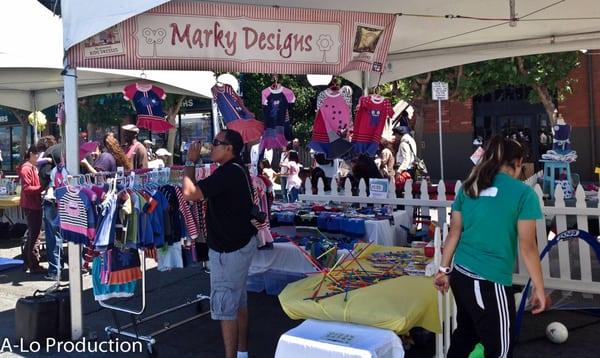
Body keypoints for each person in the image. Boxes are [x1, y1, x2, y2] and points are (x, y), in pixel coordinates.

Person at [433, 136, 548, 357]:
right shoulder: (523, 193)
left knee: (465, 336)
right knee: (500, 348)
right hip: (488, 281)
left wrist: (443, 270)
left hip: (461, 276)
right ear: (517, 163)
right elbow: (528, 246)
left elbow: (454, 232)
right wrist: (540, 288)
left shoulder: (468, 187)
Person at [182, 129, 257, 358]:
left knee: (225, 306)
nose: (211, 146)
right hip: (240, 243)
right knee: (237, 300)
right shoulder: (236, 170)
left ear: (229, 148)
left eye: (216, 142)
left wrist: (190, 162)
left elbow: (190, 193)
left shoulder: (228, 173)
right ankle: (242, 352)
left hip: (229, 249)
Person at [19, 146, 45, 274]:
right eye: (37, 156)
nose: (38, 158)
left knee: (33, 234)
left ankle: (26, 260)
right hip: (31, 205)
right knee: (34, 235)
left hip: (34, 203)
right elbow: (27, 188)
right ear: (31, 154)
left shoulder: (32, 167)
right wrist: (41, 188)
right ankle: (33, 264)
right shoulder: (26, 168)